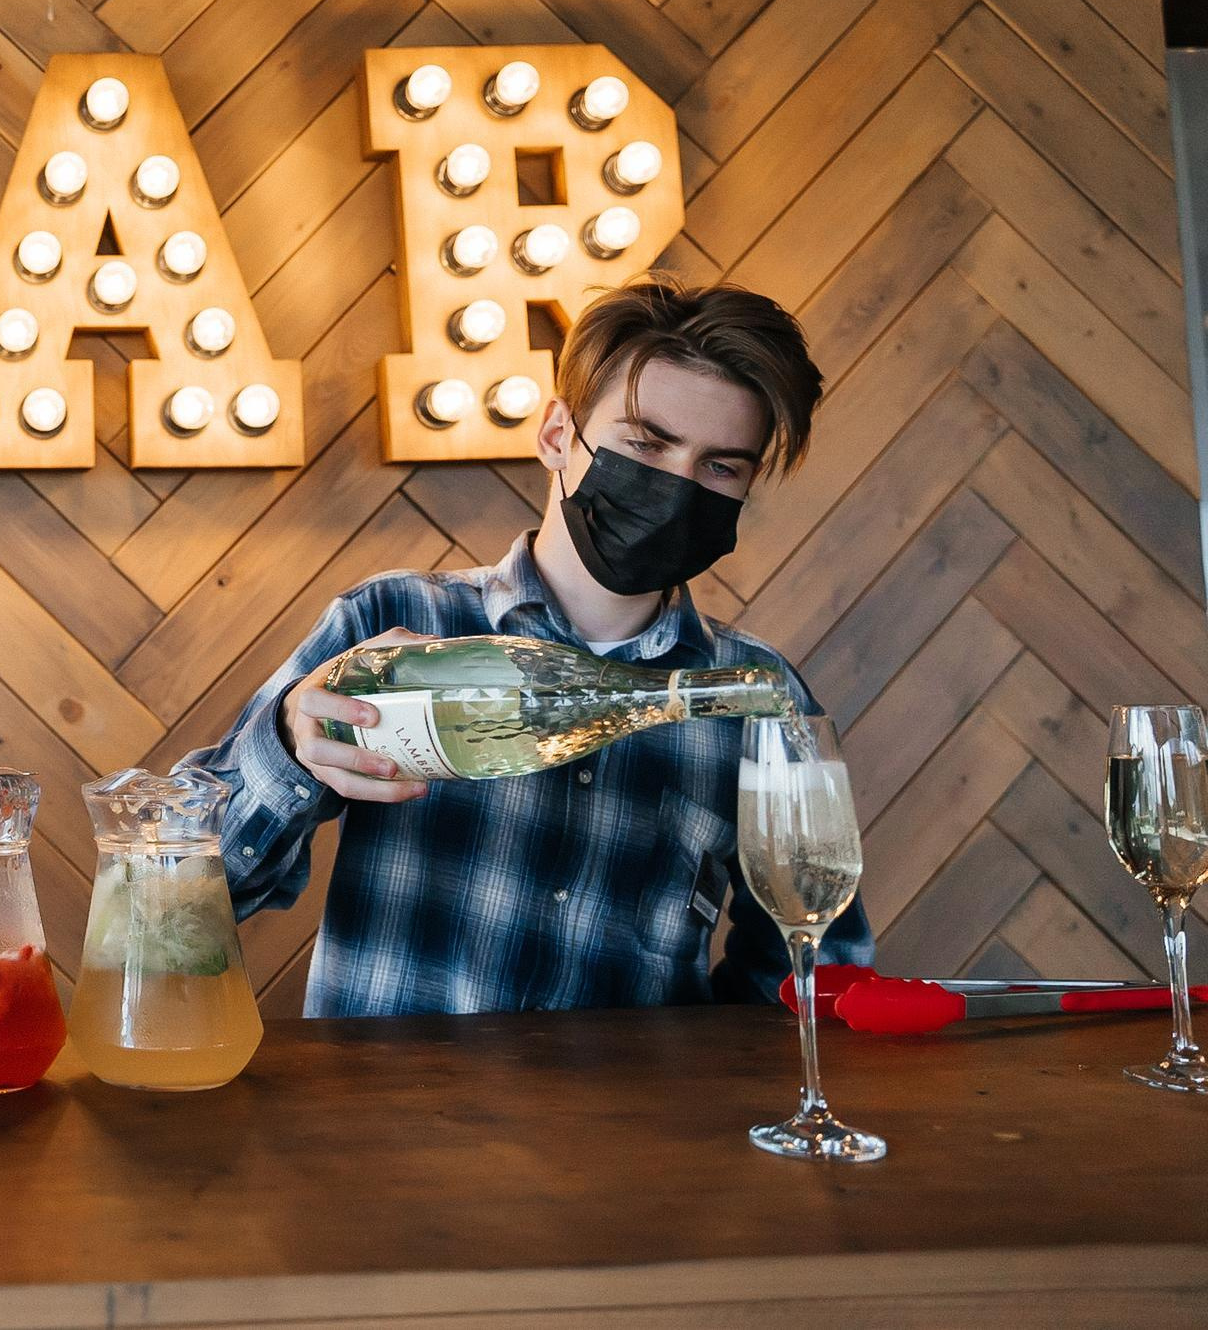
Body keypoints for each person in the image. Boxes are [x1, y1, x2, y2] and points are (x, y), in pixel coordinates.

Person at [195, 276, 872, 1014]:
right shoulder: (391, 623)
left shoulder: (754, 694)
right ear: (557, 435)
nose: (676, 487)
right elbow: (186, 902)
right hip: (390, 1121)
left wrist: (709, 1089)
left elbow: (811, 966)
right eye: (645, 443)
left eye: (720, 467)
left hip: (630, 1125)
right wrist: (290, 751)